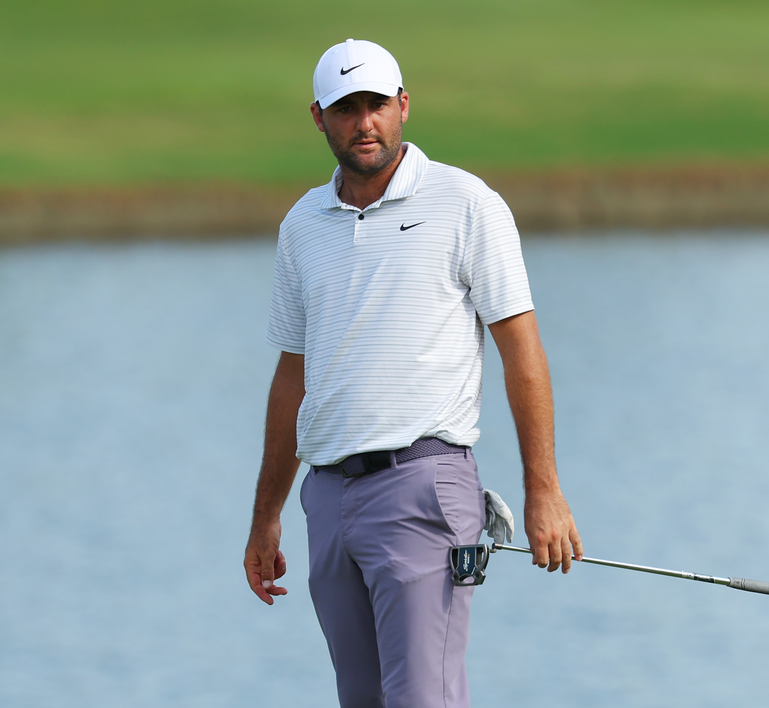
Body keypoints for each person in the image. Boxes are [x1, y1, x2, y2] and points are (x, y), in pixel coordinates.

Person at [243, 39, 582, 708]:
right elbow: (292, 379)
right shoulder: (302, 226)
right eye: (346, 108)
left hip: (423, 487)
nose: (363, 121)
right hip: (330, 499)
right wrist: (266, 516)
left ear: (403, 106)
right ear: (319, 117)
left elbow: (524, 352)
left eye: (376, 104)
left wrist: (543, 489)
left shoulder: (465, 203)